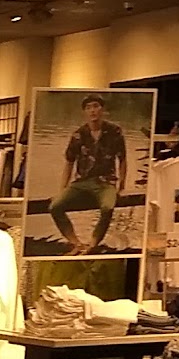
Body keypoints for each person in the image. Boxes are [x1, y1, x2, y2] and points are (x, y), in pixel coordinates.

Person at [48, 95, 127, 253]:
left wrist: (121, 185)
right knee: (55, 207)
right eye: (89, 107)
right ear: (84, 112)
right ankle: (75, 243)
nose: (93, 111)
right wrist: (62, 189)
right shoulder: (78, 135)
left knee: (107, 207)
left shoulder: (114, 131)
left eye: (96, 106)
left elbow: (123, 159)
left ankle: (93, 243)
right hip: (81, 182)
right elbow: (69, 162)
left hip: (106, 182)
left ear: (102, 109)